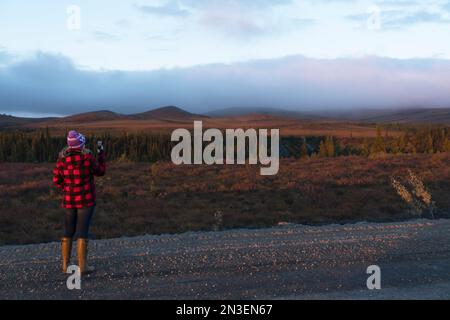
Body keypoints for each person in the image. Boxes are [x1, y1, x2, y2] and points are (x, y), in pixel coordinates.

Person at [52, 130, 106, 275]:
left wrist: (67, 188)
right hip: (86, 200)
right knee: (82, 232)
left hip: (69, 200)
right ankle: (83, 267)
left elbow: (56, 180)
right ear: (81, 145)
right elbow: (100, 171)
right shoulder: (88, 158)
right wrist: (101, 154)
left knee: (68, 231)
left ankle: (65, 265)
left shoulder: (62, 160)